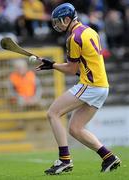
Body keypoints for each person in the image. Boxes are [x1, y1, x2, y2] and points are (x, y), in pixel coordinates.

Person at [35, 3, 121, 175]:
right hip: (102, 86)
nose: (57, 25)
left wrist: (52, 65)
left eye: (59, 22)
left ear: (67, 19)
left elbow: (71, 69)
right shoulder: (89, 31)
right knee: (75, 128)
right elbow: (87, 63)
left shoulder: (74, 37)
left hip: (91, 85)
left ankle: (64, 160)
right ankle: (109, 157)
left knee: (53, 113)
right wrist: (54, 65)